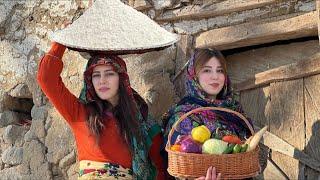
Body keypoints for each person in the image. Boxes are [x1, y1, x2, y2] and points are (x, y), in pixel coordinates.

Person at [37, 42, 167, 179]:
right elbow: (46, 78)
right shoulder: (79, 113)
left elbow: (159, 168)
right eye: (96, 75)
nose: (102, 81)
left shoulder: (141, 121)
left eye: (109, 74)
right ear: (90, 81)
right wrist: (61, 42)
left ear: (121, 79)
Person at [162, 48, 253, 179]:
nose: (215, 76)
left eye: (220, 70)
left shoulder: (234, 111)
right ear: (194, 75)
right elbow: (177, 166)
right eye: (207, 70)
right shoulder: (184, 115)